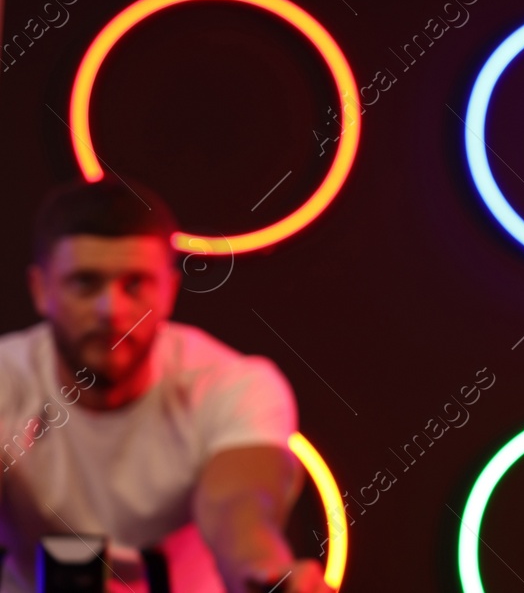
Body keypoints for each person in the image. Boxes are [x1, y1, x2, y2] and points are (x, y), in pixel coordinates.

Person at [0, 178, 332, 593]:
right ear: (40, 289)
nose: (110, 310)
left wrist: (265, 576)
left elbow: (238, 507)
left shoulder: (232, 385)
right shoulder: (7, 379)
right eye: (86, 283)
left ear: (171, 290)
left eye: (134, 284)